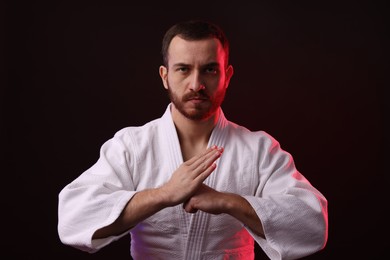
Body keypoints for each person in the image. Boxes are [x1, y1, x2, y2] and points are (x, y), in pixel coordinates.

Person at [58, 20, 328, 259]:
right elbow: (72, 219)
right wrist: (163, 195)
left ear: (227, 76)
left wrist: (229, 202)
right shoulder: (132, 146)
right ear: (165, 76)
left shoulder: (258, 149)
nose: (196, 84)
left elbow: (312, 225)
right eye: (183, 69)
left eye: (209, 70)